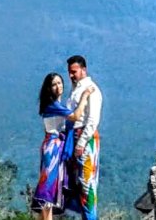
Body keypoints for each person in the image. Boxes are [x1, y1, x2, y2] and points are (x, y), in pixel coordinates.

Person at [33, 72, 95, 220]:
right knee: (48, 191)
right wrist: (85, 96)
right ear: (49, 88)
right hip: (53, 148)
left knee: (51, 189)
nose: (57, 86)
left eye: (59, 83)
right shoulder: (53, 105)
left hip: (52, 145)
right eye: (54, 84)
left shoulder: (54, 105)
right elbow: (75, 116)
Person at [65, 55, 103, 220]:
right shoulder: (76, 90)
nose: (71, 75)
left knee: (87, 183)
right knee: (77, 184)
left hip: (85, 140)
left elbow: (92, 120)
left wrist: (81, 143)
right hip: (74, 137)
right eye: (70, 72)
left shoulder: (92, 89)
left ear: (83, 70)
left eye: (74, 72)